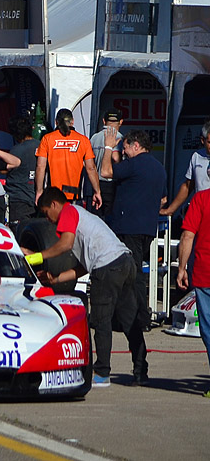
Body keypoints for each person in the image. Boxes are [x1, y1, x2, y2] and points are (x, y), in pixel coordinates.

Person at [25, 187, 147, 387]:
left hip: (107, 267)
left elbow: (65, 244)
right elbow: (84, 266)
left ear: (55, 205)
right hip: (124, 261)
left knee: (101, 321)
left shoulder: (68, 211)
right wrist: (55, 279)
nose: (48, 220)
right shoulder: (83, 217)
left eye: (47, 213)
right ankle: (141, 370)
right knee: (129, 319)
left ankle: (101, 372)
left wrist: (37, 256)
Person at [101, 129, 166, 356]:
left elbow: (106, 171)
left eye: (126, 148)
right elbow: (163, 198)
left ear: (136, 146)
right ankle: (133, 315)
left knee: (132, 273)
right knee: (135, 272)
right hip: (147, 227)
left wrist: (109, 147)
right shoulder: (158, 167)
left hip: (129, 226)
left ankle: (139, 317)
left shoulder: (136, 164)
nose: (124, 152)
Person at [175, 184, 210, 396]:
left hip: (205, 273)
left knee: (208, 329)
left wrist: (181, 268)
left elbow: (188, 236)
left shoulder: (200, 200)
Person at [35, 109, 102, 209]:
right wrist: (97, 191)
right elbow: (91, 168)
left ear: (56, 122)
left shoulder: (47, 139)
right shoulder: (83, 140)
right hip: (75, 194)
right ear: (72, 121)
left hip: (53, 195)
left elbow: (40, 167)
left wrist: (39, 191)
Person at [161, 118, 210, 217]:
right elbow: (187, 186)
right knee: (187, 232)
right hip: (201, 210)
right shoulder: (197, 156)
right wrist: (170, 210)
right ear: (202, 140)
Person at [6, 115, 41, 226]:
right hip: (38, 200)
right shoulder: (41, 146)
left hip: (18, 200)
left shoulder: (16, 151)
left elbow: (4, 168)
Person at [90, 111, 124, 217]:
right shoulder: (119, 137)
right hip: (111, 183)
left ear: (104, 121)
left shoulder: (94, 138)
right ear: (121, 122)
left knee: (97, 217)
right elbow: (115, 157)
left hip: (95, 183)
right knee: (110, 217)